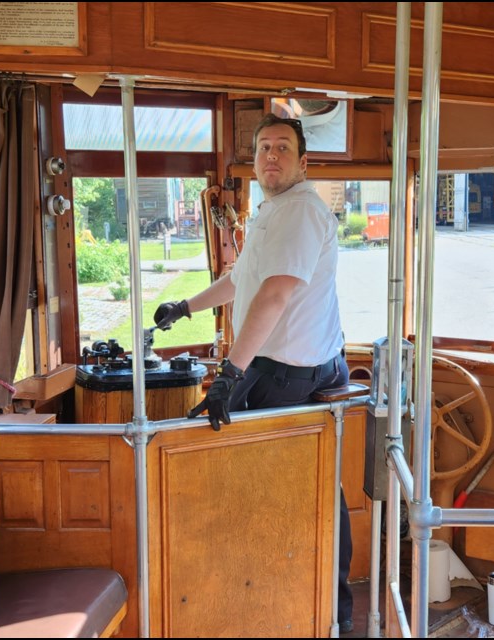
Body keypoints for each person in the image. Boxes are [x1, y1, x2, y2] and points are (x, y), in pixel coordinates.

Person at [153, 113, 353, 632]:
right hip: (277, 364)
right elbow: (241, 280)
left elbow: (275, 293)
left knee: (271, 485)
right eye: (264, 147)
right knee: (271, 484)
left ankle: (308, 605)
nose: (271, 155)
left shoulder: (302, 212)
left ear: (303, 161)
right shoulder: (274, 210)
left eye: (283, 147)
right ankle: (267, 596)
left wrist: (229, 373)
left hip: (293, 372)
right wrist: (186, 307)